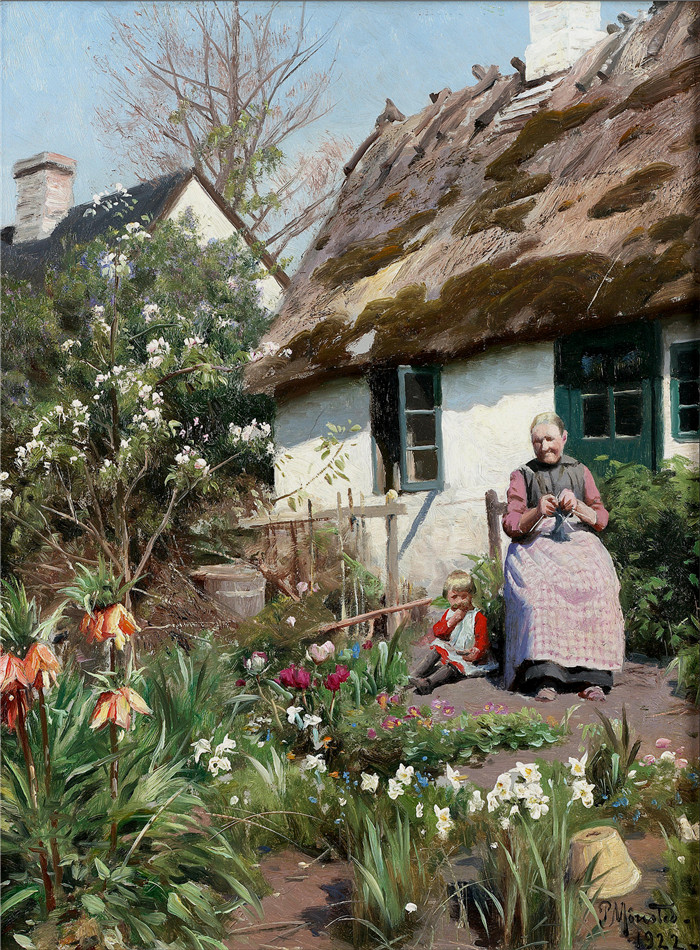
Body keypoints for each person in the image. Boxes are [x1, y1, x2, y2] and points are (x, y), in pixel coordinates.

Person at [502, 412, 625, 702]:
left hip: (577, 542)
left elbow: (601, 518)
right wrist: (537, 511)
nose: (544, 446)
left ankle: (593, 677)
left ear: (564, 438)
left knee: (598, 587)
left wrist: (578, 505)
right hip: (535, 545)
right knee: (540, 595)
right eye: (537, 441)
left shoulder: (580, 470)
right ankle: (546, 677)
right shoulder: (522, 474)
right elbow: (511, 524)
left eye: (550, 439)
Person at [409, 570, 494, 695]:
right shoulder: (450, 613)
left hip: (468, 660)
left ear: (471, 595)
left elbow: (482, 642)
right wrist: (452, 621)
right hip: (453, 650)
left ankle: (428, 683)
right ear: (448, 598)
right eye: (454, 597)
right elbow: (439, 633)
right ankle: (414, 675)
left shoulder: (477, 617)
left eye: (464, 596)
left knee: (451, 667)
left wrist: (474, 653)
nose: (459, 601)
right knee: (436, 651)